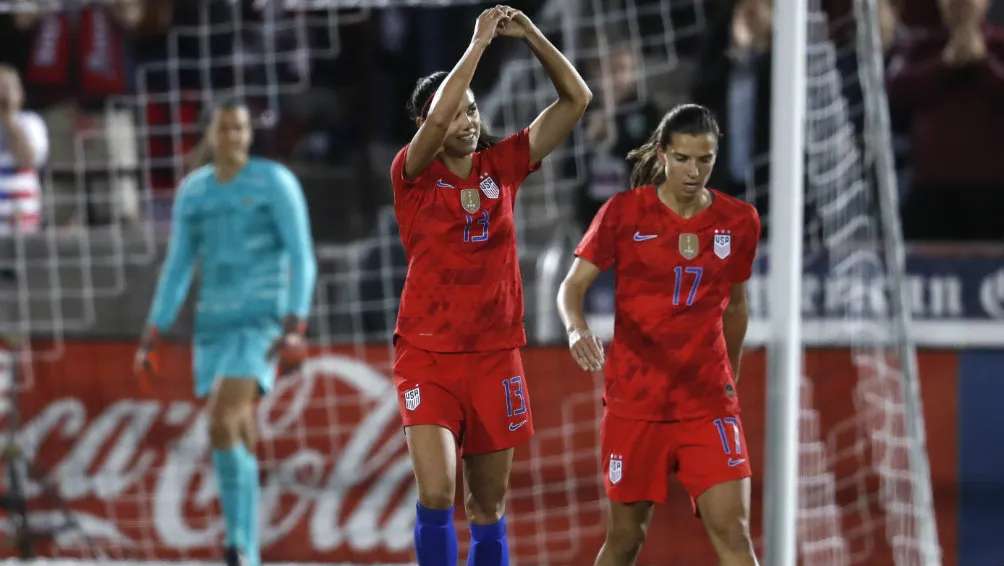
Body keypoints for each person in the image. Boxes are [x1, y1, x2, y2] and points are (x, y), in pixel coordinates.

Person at [390, 5, 591, 566]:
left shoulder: (503, 167)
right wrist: (478, 45)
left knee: (487, 505)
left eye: (473, 111)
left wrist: (530, 36)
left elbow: (577, 100)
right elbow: (435, 125)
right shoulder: (411, 175)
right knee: (436, 493)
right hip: (427, 355)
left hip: (496, 356)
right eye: (457, 113)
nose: (468, 121)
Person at [556, 104, 760, 566]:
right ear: (664, 154)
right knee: (626, 540)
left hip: (707, 403)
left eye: (705, 159)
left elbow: (738, 307)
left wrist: (730, 380)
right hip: (636, 403)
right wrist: (575, 329)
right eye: (684, 159)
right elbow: (571, 287)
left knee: (734, 533)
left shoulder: (739, 221)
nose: (694, 171)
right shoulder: (625, 214)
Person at [134, 100, 316, 566]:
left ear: (249, 134)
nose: (234, 137)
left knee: (221, 417)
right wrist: (155, 328)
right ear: (211, 135)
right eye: (225, 129)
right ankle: (248, 551)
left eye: (240, 128)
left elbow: (301, 255)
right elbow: (178, 265)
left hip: (262, 325)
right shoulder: (194, 192)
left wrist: (296, 321)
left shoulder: (275, 183)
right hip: (212, 326)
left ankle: (236, 545)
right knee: (234, 427)